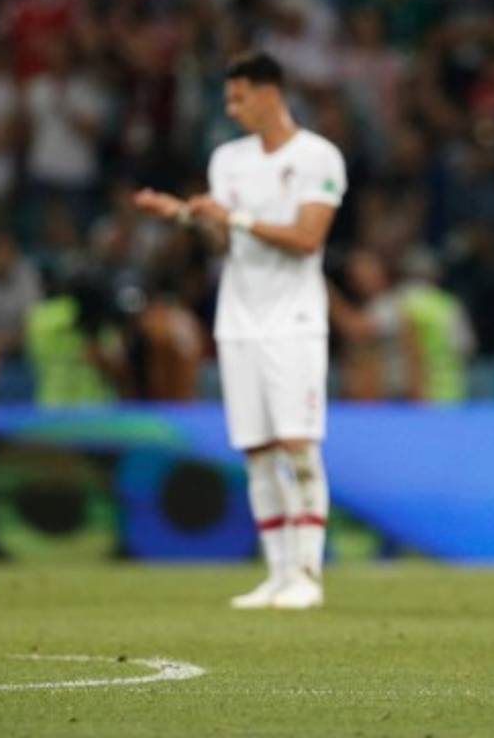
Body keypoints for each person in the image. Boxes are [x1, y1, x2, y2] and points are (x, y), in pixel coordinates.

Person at [134, 52, 345, 610]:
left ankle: (308, 576)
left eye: (239, 97)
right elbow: (224, 241)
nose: (230, 109)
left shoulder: (318, 156)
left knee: (298, 446)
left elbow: (307, 239)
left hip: (294, 322)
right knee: (257, 451)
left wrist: (236, 219)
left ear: (270, 94)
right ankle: (277, 574)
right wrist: (187, 217)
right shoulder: (227, 160)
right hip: (238, 320)